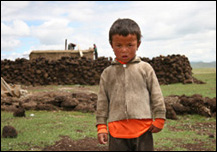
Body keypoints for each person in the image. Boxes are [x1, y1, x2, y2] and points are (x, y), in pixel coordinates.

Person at [96, 18, 166, 151]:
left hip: (143, 129)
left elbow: (156, 95)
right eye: (118, 45)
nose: (124, 50)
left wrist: (160, 117)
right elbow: (102, 101)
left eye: (130, 45)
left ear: (138, 44)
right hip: (116, 132)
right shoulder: (107, 73)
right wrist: (101, 126)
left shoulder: (145, 69)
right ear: (111, 44)